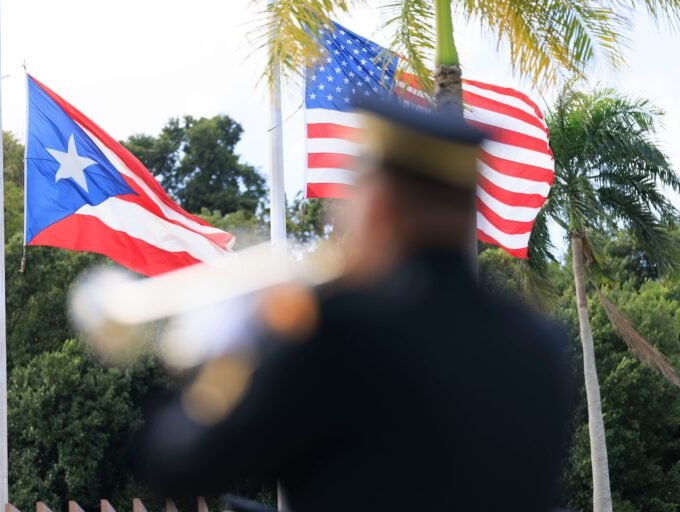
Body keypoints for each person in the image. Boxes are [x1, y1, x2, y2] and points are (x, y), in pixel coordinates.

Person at [133, 98, 573, 511]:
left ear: (378, 207)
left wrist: (232, 357)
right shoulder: (540, 346)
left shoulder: (338, 334)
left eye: (350, 200)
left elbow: (181, 465)